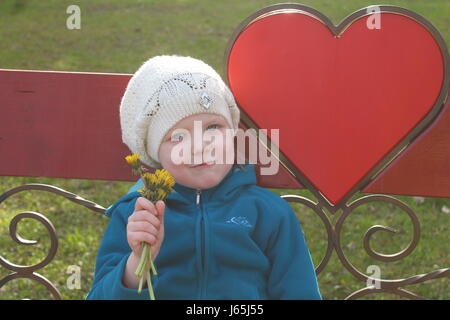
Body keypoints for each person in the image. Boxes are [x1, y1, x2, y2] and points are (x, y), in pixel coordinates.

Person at [85, 55, 322, 300]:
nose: (200, 146)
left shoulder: (269, 213)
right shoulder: (137, 214)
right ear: (156, 152)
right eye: (178, 136)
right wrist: (137, 262)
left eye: (212, 127)